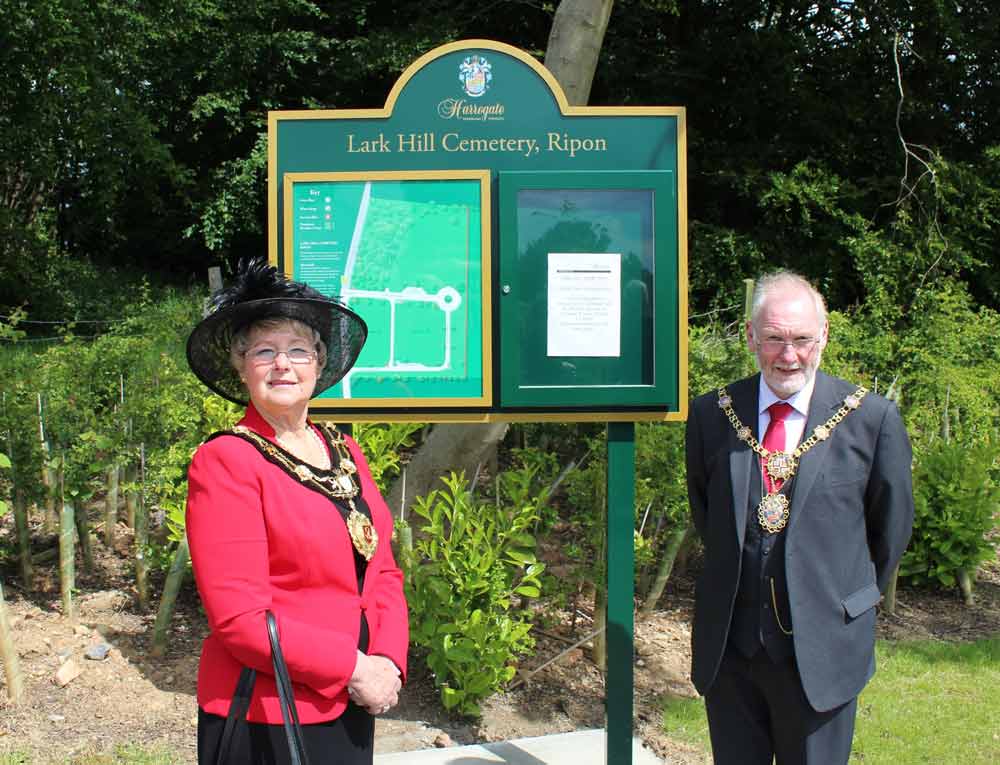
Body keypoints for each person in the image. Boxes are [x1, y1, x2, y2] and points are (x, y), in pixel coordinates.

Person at [185, 257, 408, 765]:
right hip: (270, 714)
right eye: (264, 351)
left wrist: (388, 663)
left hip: (353, 703)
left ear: (318, 360)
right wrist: (353, 668)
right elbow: (241, 620)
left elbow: (383, 569)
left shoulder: (345, 450)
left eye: (296, 350)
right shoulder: (226, 461)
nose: (282, 364)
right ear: (242, 367)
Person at [685, 270, 914, 764]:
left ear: (824, 336)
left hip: (824, 652)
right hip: (731, 651)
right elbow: (708, 517)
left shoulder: (870, 420)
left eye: (802, 340)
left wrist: (841, 597)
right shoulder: (711, 415)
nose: (789, 355)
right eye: (774, 339)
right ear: (750, 336)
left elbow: (889, 532)